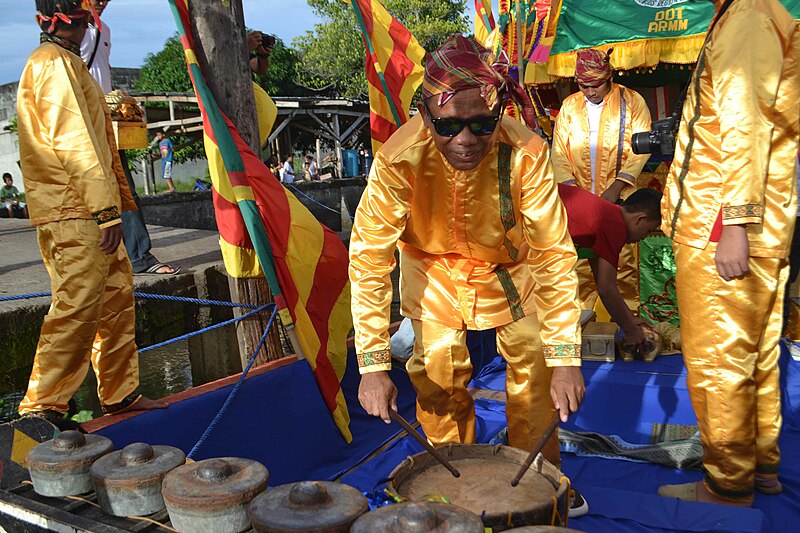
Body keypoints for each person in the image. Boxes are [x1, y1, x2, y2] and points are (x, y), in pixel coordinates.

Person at [349, 35, 587, 515]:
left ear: (498, 115)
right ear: (423, 116)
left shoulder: (528, 152)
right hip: (434, 272)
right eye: (449, 126)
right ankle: (447, 493)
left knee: (538, 371)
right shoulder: (398, 159)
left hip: (512, 271)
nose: (465, 141)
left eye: (481, 125)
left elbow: (553, 252)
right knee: (436, 375)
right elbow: (371, 257)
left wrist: (567, 355)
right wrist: (373, 364)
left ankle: (540, 484)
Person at [658, 0, 799, 507]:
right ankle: (759, 468)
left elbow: (745, 125)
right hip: (751, 223)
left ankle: (725, 486)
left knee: (720, 363)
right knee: (755, 357)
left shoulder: (747, 18)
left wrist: (735, 223)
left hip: (721, 227)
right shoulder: (752, 14)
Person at [17, 0, 166, 428]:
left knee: (116, 300)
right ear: (76, 22)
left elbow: (98, 143)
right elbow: (74, 143)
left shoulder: (66, 63)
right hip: (74, 209)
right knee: (78, 307)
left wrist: (119, 204)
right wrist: (104, 210)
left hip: (91, 208)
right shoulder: (53, 64)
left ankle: (119, 393)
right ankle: (41, 409)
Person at [80, 0, 180, 275]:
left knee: (124, 188)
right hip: (79, 123)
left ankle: (138, 256)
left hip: (106, 121)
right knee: (85, 194)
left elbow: (102, 74)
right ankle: (100, 258)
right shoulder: (66, 33)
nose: (101, 3)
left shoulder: (104, 30)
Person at [551, 48, 651, 313]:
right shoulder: (570, 106)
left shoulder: (632, 101)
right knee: (580, 267)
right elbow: (559, 151)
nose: (590, 91)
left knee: (622, 266)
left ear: (609, 78)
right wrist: (573, 195)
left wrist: (616, 188)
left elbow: (641, 149)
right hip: (580, 204)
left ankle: (626, 329)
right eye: (583, 85)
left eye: (595, 85)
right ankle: (585, 329)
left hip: (619, 202)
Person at [560, 184, 662, 348]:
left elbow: (601, 280)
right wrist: (630, 331)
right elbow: (606, 289)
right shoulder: (614, 226)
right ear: (640, 219)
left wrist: (630, 318)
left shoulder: (608, 216)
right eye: (649, 230)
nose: (644, 237)